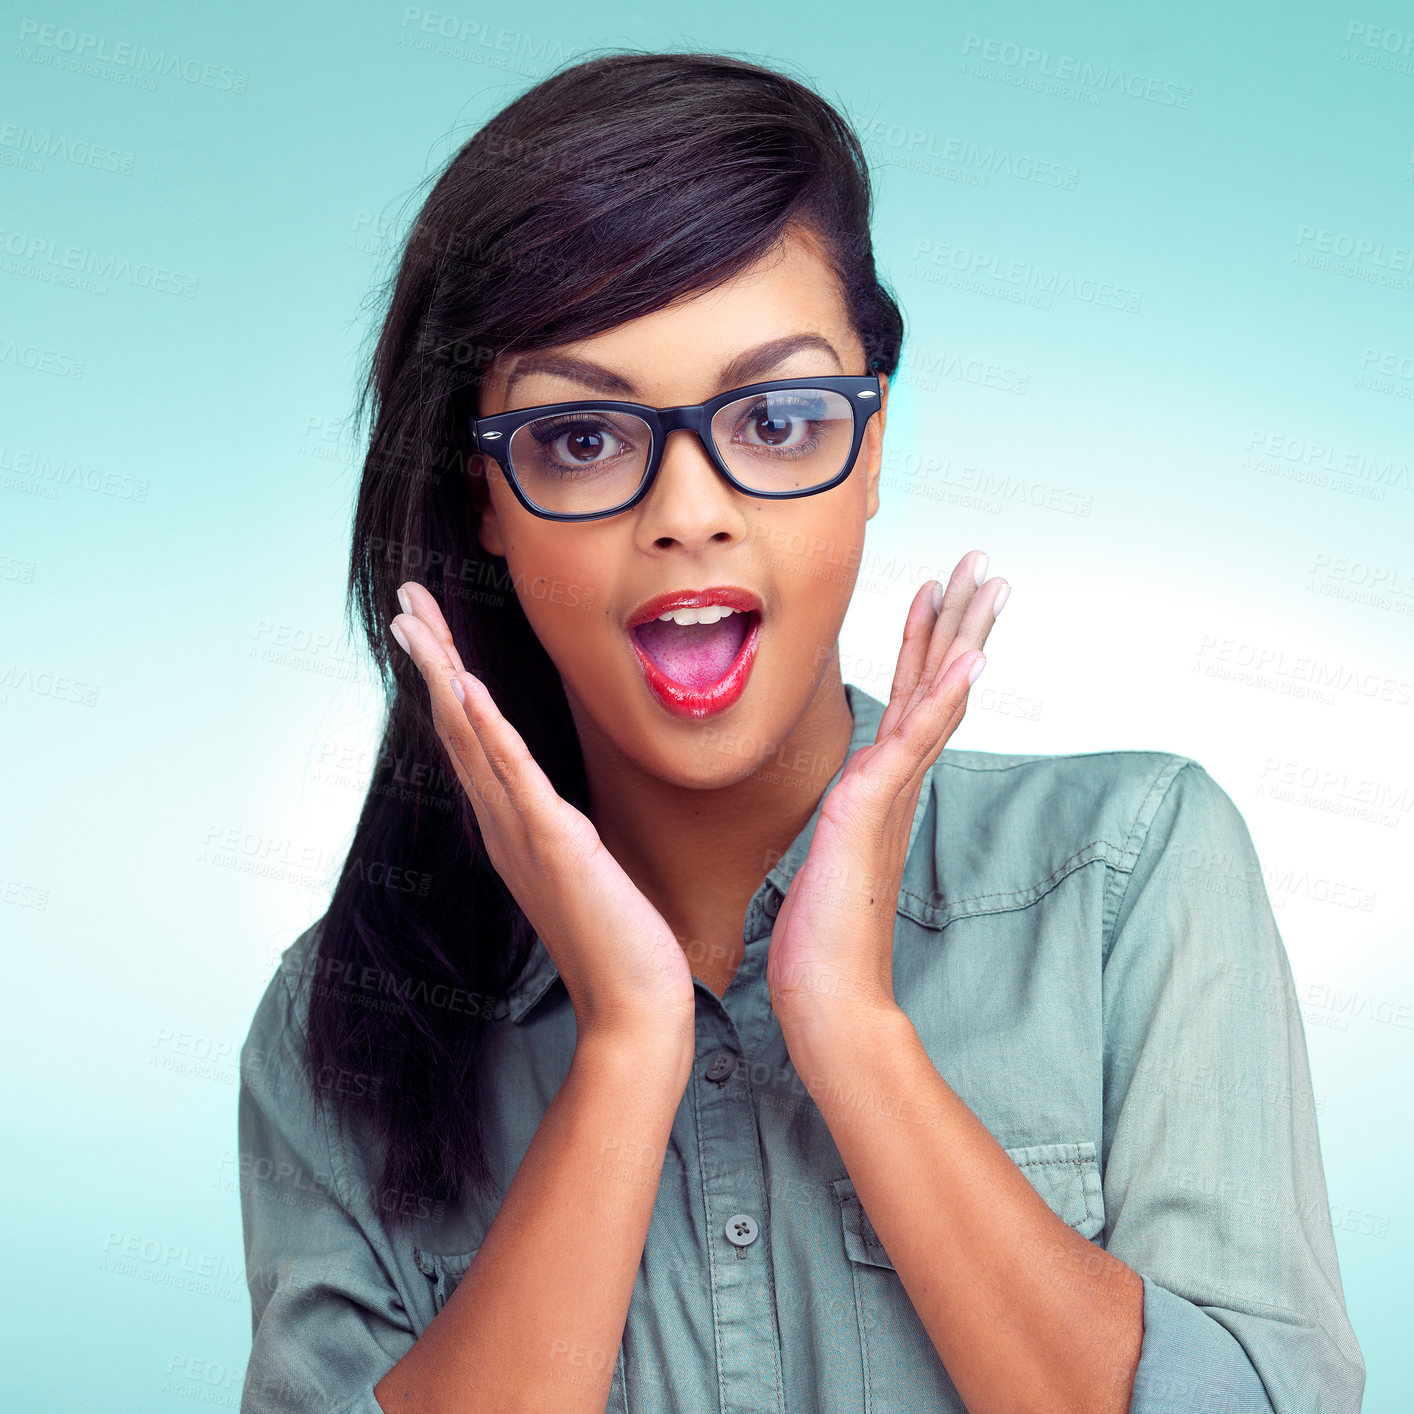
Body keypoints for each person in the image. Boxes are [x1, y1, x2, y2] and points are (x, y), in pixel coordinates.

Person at [236, 49, 1365, 1414]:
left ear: (872, 446)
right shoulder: (339, 1022)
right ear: (483, 499)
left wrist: (846, 1021)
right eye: (582, 439)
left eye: (774, 417)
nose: (690, 509)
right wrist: (627, 1045)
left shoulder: (1129, 875)